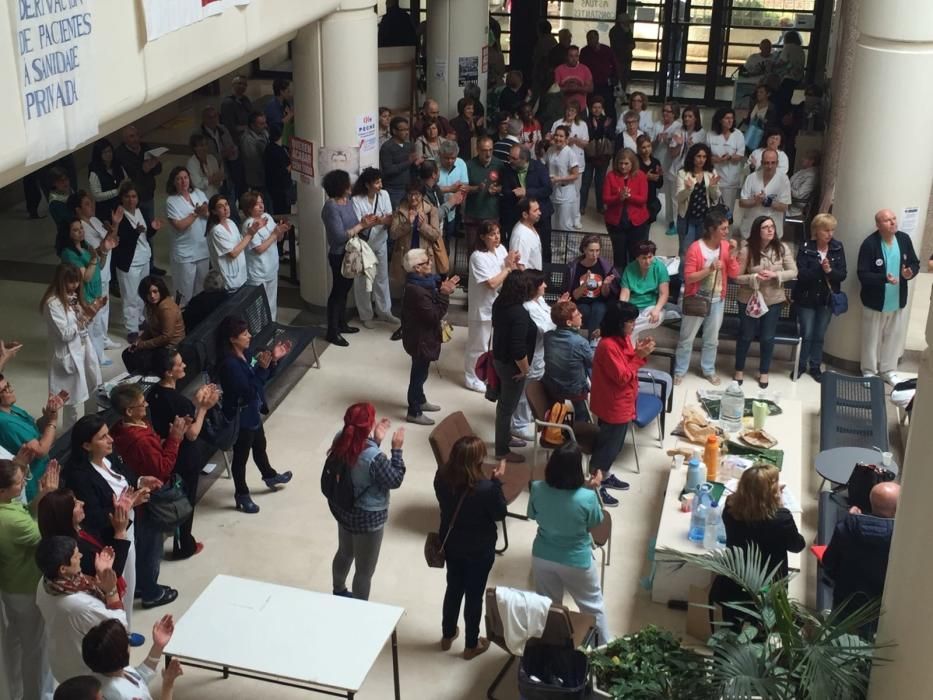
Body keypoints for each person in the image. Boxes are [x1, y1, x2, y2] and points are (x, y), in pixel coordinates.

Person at [63, 415, 160, 629]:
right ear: (86, 445)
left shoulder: (109, 457)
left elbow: (124, 477)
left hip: (126, 529)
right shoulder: (79, 475)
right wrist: (129, 505)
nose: (111, 440)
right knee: (117, 584)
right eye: (103, 437)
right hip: (107, 539)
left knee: (131, 582)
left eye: (108, 434)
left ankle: (128, 628)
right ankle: (118, 632)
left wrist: (141, 481)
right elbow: (94, 516)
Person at [108, 384, 185, 609]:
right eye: (142, 404)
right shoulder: (138, 440)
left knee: (144, 545)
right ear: (129, 411)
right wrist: (174, 439)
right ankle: (151, 591)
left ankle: (142, 584)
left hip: (138, 496)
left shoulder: (122, 428)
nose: (147, 405)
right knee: (151, 547)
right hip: (148, 501)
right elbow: (161, 468)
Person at [528, 443, 610, 643]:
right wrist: (593, 490)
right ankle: (603, 648)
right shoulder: (588, 498)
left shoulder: (537, 488)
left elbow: (533, 514)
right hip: (576, 561)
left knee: (549, 606)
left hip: (542, 556)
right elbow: (595, 522)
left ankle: (553, 644)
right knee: (592, 606)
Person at [434, 436, 507, 659]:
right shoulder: (486, 488)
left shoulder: (441, 477)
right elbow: (499, 513)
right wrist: (497, 482)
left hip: (452, 543)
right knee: (474, 596)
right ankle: (471, 644)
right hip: (479, 549)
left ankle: (447, 635)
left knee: (453, 588)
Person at [709, 464, 805, 631]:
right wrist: (780, 506)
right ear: (770, 494)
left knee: (730, 627)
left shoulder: (731, 507)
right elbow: (798, 545)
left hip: (734, 579)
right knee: (762, 628)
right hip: (767, 587)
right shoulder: (781, 519)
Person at [327, 403, 406, 600]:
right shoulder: (374, 458)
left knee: (345, 552)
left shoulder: (340, 439)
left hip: (343, 509)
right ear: (369, 426)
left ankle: (338, 590)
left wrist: (376, 441)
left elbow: (356, 461)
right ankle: (359, 609)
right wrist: (396, 450)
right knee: (364, 571)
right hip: (368, 519)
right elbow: (394, 479)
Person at [216, 316, 293, 514]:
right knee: (241, 458)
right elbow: (249, 391)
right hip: (241, 417)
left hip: (251, 412)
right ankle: (241, 494)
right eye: (244, 334)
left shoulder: (245, 353)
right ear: (233, 339)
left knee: (260, 444)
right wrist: (263, 370)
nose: (249, 336)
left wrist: (273, 360)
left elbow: (260, 376)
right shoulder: (230, 365)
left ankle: (269, 475)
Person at [147, 348, 218, 559]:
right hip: (184, 457)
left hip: (166, 452)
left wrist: (194, 405)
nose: (184, 365)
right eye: (179, 364)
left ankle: (181, 539)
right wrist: (204, 407)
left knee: (176, 496)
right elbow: (192, 434)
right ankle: (184, 544)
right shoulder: (180, 402)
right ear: (169, 372)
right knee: (185, 500)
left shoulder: (154, 395)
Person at [0, 455, 59, 699]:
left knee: (14, 643)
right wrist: (53, 498)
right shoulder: (10, 521)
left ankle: (15, 692)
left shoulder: (8, 506)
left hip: (11, 586)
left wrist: (43, 494)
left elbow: (29, 512)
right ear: (2, 490)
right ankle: (40, 695)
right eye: (19, 481)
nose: (24, 483)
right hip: (24, 589)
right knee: (37, 648)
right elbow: (43, 532)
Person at [34, 535, 127, 683]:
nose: (81, 556)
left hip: (61, 660)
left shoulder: (45, 583)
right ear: (63, 569)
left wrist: (99, 575)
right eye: (76, 555)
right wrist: (111, 590)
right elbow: (119, 627)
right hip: (85, 671)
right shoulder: (78, 605)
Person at [588, 301, 654, 506]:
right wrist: (640, 357)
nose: (633, 326)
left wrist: (638, 352)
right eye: (630, 322)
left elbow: (628, 362)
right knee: (606, 449)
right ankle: (594, 488)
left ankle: (605, 476)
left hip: (623, 400)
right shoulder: (607, 345)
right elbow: (622, 375)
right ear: (619, 323)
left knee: (614, 446)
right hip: (613, 404)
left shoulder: (623, 339)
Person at [673, 212, 741, 385]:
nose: (727, 231)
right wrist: (709, 269)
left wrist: (732, 256)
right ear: (712, 229)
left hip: (717, 300)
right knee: (687, 338)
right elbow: (688, 278)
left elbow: (734, 273)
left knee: (712, 339)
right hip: (696, 298)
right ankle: (680, 370)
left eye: (727, 228)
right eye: (723, 228)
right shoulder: (696, 248)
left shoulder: (725, 247)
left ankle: (708, 370)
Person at [733, 216, 797, 389]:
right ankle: (739, 370)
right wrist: (754, 277)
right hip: (749, 299)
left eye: (772, 227)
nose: (770, 230)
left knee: (767, 337)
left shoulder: (782, 248)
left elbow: (793, 271)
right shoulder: (746, 250)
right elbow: (736, 277)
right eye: (765, 227)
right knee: (746, 335)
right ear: (757, 231)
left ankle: (764, 372)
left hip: (773, 299)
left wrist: (777, 275)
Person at [824, 482, 899, 629]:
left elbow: (828, 563)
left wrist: (852, 519)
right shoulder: (901, 538)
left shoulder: (846, 527)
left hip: (845, 599)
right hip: (880, 606)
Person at [857, 209, 920, 384]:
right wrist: (884, 278)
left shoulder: (904, 239)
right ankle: (869, 371)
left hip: (897, 299)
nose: (893, 222)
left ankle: (888, 370)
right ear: (878, 225)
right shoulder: (870, 244)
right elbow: (862, 274)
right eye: (887, 220)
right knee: (871, 339)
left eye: (894, 218)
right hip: (875, 301)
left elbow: (915, 263)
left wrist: (909, 273)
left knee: (893, 336)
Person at [400, 249, 459, 425]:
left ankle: (421, 399)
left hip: (423, 337)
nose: (431, 264)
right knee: (418, 375)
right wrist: (445, 295)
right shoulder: (416, 291)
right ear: (417, 268)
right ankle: (414, 410)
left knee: (422, 371)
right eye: (427, 262)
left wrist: (441, 289)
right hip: (420, 339)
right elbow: (434, 315)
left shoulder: (425, 282)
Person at [40, 264, 103, 430]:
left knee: (92, 388)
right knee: (71, 402)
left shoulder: (73, 297)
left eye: (77, 282)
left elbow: (82, 326)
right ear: (61, 281)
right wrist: (82, 319)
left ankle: (93, 428)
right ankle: (70, 437)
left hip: (83, 350)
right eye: (71, 282)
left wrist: (88, 313)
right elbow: (65, 334)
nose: (75, 286)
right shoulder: (52, 304)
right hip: (66, 356)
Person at [466, 223, 520, 392]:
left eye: (498, 233)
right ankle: (472, 378)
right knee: (478, 346)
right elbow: (491, 283)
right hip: (481, 307)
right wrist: (508, 268)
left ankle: (486, 375)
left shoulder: (501, 250)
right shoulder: (477, 256)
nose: (497, 237)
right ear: (482, 237)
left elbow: (509, 271)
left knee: (492, 346)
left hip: (498, 306)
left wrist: (513, 264)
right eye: (492, 234)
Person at [792, 213, 846, 382]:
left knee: (819, 334)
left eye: (832, 230)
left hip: (826, 299)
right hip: (807, 298)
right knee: (806, 333)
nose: (830, 234)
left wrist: (829, 271)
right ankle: (800, 365)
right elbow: (801, 274)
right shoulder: (805, 247)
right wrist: (820, 268)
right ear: (816, 231)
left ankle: (815, 366)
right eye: (826, 230)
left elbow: (842, 275)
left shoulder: (837, 247)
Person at [491, 271, 536, 463]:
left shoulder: (499, 303)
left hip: (499, 359)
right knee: (506, 408)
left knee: (504, 405)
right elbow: (518, 349)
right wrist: (525, 370)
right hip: (512, 368)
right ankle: (502, 450)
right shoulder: (518, 313)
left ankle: (506, 437)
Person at [82, 616, 183, 700]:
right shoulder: (121, 696)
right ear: (122, 652)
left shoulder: (106, 667)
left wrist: (158, 646)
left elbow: (140, 676)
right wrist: (168, 685)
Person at [56, 215, 113, 366]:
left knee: (99, 327)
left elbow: (99, 267)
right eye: (75, 230)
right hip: (85, 295)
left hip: (96, 292)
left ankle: (99, 356)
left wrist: (104, 252)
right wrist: (94, 258)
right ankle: (92, 361)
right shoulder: (68, 253)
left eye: (81, 228)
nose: (80, 232)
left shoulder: (85, 245)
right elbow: (85, 277)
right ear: (67, 233)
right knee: (90, 330)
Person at [512, 270, 559, 441]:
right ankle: (518, 424)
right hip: (532, 354)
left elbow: (549, 315)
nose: (546, 286)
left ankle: (529, 415)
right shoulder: (527, 307)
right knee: (526, 390)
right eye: (542, 284)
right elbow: (545, 327)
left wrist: (557, 310)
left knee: (535, 387)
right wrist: (559, 317)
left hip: (541, 353)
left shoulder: (538, 301)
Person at [321, 169, 366, 346]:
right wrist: (361, 225)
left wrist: (364, 223)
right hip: (339, 254)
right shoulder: (330, 207)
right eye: (347, 183)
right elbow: (338, 237)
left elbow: (354, 224)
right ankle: (332, 331)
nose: (350, 186)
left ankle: (341, 323)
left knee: (344, 290)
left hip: (351, 252)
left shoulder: (347, 202)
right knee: (337, 293)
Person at [73, 192, 120, 356]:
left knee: (105, 307)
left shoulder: (95, 220)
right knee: (97, 310)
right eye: (87, 204)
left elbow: (112, 240)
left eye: (91, 202)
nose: (92, 206)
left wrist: (115, 225)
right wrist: (110, 233)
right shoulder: (81, 227)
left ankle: (104, 338)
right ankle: (96, 347)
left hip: (105, 269)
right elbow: (97, 249)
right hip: (95, 272)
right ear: (78, 210)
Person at [0, 377, 62, 501]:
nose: (11, 390)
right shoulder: (5, 423)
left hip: (43, 468)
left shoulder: (12, 410)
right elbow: (41, 450)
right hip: (33, 477)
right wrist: (52, 421)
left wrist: (48, 415)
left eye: (9, 385)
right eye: (4, 390)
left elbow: (35, 428)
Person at [351, 168, 398, 328]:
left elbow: (390, 218)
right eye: (377, 182)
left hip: (380, 241)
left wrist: (379, 221)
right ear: (367, 185)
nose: (380, 185)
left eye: (380, 181)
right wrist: (372, 221)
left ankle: (384, 311)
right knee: (363, 280)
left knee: (382, 277)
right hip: (363, 245)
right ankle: (366, 315)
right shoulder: (356, 200)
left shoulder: (384, 195)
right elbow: (359, 224)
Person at [112, 181, 159, 342]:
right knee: (130, 296)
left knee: (142, 293)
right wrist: (135, 232)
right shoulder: (119, 215)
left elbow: (145, 235)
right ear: (122, 198)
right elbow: (121, 241)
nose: (131, 200)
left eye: (134, 196)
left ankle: (139, 320)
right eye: (127, 196)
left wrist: (153, 228)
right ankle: (131, 328)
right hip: (129, 262)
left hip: (144, 257)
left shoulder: (141, 211)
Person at [164, 166, 211, 307]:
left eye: (185, 177)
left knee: (201, 291)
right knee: (184, 294)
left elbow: (209, 213)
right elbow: (179, 225)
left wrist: (204, 212)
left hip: (202, 249)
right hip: (185, 254)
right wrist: (196, 213)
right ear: (174, 182)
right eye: (179, 179)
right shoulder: (171, 201)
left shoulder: (198, 193)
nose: (183, 181)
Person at [240, 190, 289, 320]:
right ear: (249, 208)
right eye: (257, 204)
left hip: (271, 268)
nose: (261, 206)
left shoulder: (267, 217)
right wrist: (274, 234)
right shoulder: (249, 224)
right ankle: (258, 336)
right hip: (258, 273)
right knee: (258, 307)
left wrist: (280, 231)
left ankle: (271, 330)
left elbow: (277, 239)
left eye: (262, 202)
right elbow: (259, 249)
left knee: (271, 304)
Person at [121, 276, 185, 376]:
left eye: (155, 291)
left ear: (161, 291)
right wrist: (138, 341)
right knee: (128, 354)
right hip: (160, 342)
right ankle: (138, 380)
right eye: (148, 293)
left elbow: (166, 337)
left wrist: (142, 345)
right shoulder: (151, 305)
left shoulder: (166, 308)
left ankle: (145, 381)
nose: (152, 296)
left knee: (141, 359)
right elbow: (151, 328)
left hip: (171, 347)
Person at [389, 182, 446, 290]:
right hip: (406, 255)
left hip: (424, 256)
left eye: (417, 195)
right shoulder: (400, 210)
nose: (413, 198)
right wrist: (407, 224)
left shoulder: (431, 211)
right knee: (407, 287)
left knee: (424, 287)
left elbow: (435, 235)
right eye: (410, 194)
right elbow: (393, 234)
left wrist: (423, 226)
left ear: (422, 195)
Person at [543, 301, 594, 421]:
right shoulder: (580, 342)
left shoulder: (547, 336)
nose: (581, 315)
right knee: (582, 413)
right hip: (574, 389)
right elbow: (592, 363)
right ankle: (580, 428)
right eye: (577, 314)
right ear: (569, 322)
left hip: (552, 385)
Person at [500, 145, 553, 260]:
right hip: (517, 215)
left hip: (540, 215)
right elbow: (505, 190)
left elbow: (547, 189)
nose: (510, 161)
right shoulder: (507, 170)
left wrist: (527, 192)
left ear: (524, 160)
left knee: (544, 247)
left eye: (514, 159)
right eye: (510, 157)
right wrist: (514, 193)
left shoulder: (539, 168)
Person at [620, 240, 677, 339]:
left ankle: (625, 331)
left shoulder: (660, 267)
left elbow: (664, 294)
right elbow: (625, 293)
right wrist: (623, 311)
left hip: (651, 307)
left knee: (653, 317)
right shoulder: (629, 268)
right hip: (633, 307)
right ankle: (629, 343)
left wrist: (657, 309)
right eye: (644, 258)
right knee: (628, 325)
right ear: (637, 257)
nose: (647, 261)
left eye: (650, 257)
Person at [603, 148, 649, 270]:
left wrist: (628, 196)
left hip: (637, 222)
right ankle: (620, 283)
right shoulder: (610, 176)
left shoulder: (641, 176)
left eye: (626, 164)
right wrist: (619, 197)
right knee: (619, 257)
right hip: (616, 223)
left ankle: (635, 284)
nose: (623, 167)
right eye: (620, 163)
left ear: (632, 163)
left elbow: (643, 199)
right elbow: (606, 199)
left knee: (636, 255)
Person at [566, 235, 619, 335]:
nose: (595, 254)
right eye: (591, 250)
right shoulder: (575, 267)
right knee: (585, 310)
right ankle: (591, 342)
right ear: (584, 249)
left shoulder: (604, 266)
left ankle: (592, 341)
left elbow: (606, 295)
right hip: (581, 302)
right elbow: (575, 296)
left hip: (599, 302)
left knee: (599, 309)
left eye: (597, 250)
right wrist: (585, 284)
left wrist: (606, 285)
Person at [675, 143, 721, 257]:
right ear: (692, 157)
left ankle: (700, 274)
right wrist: (688, 189)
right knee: (686, 252)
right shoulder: (683, 173)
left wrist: (712, 187)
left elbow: (715, 197)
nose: (702, 160)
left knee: (703, 251)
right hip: (687, 219)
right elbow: (679, 198)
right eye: (698, 156)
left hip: (705, 220)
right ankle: (683, 275)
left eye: (704, 157)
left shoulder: (711, 173)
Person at [114, 125, 163, 225]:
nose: (136, 139)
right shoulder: (120, 154)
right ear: (125, 139)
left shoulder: (145, 147)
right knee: (138, 228)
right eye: (132, 136)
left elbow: (158, 170)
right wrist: (143, 170)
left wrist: (155, 165)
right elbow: (126, 178)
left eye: (137, 135)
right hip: (132, 200)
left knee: (150, 227)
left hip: (148, 196)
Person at [739, 149, 791, 240]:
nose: (770, 166)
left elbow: (785, 207)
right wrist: (755, 201)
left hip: (773, 230)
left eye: (773, 163)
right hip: (751, 227)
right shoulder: (751, 178)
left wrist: (769, 202)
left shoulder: (783, 180)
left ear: (777, 163)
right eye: (766, 163)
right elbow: (742, 203)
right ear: (762, 163)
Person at [464, 136, 504, 247]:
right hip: (473, 214)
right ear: (477, 150)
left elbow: (505, 186)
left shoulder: (499, 165)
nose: (488, 154)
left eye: (490, 150)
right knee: (472, 247)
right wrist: (476, 188)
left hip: (492, 214)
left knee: (492, 247)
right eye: (484, 150)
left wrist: (497, 189)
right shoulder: (469, 165)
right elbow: (463, 188)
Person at [207, 193, 250, 292]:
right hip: (228, 281)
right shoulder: (216, 231)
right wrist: (250, 234)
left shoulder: (231, 223)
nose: (226, 208)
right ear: (214, 211)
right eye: (220, 207)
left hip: (241, 276)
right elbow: (233, 253)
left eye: (226, 204)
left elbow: (240, 244)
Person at [580, 96, 614, 217]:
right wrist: (600, 129)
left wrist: (599, 129)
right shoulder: (585, 121)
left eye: (599, 107)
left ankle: (600, 206)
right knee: (586, 182)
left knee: (600, 183)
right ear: (590, 108)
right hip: (589, 156)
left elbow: (610, 135)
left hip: (603, 156)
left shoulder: (608, 120)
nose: (596, 110)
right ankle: (582, 206)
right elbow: (590, 136)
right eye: (594, 107)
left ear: (602, 108)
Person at [707, 107, 746, 211]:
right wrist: (717, 160)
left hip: (731, 179)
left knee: (727, 209)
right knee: (713, 208)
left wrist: (729, 157)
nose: (730, 121)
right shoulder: (711, 134)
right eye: (727, 118)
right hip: (714, 177)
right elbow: (705, 155)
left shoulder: (738, 134)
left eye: (732, 118)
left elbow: (740, 155)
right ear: (720, 120)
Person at [546, 126, 581, 232]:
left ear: (566, 138)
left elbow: (575, 175)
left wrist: (559, 179)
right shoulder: (550, 150)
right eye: (556, 135)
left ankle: (571, 249)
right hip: (553, 192)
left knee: (565, 225)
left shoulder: (570, 153)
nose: (558, 138)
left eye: (561, 136)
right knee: (554, 224)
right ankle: (555, 248)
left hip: (566, 193)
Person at [650, 102, 680, 224]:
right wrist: (657, 140)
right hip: (657, 161)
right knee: (654, 190)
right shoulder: (657, 125)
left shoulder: (678, 126)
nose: (665, 113)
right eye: (664, 111)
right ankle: (652, 215)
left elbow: (676, 147)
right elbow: (650, 146)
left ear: (675, 113)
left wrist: (668, 140)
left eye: (669, 111)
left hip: (672, 163)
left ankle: (672, 221)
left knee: (671, 195)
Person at [87, 138, 129, 224]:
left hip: (121, 206)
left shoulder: (117, 165)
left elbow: (125, 179)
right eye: (104, 152)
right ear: (99, 154)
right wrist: (117, 191)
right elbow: (97, 196)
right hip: (105, 211)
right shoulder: (94, 172)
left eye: (110, 151)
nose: (108, 154)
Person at [436, 141, 469, 245]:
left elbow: (464, 186)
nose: (450, 161)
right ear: (440, 155)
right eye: (446, 158)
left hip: (452, 210)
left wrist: (459, 199)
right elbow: (428, 188)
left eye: (453, 158)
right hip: (435, 209)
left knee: (447, 239)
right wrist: (449, 189)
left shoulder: (461, 163)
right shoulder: (432, 164)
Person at [380, 116, 417, 209]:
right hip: (394, 189)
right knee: (397, 216)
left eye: (407, 129)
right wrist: (408, 162)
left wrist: (416, 163)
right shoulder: (387, 148)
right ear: (394, 131)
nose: (406, 132)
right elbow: (388, 170)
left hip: (408, 188)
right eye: (403, 130)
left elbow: (412, 167)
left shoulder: (409, 145)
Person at [580, 30, 618, 118]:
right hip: (591, 84)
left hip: (606, 84)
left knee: (609, 106)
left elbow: (615, 65)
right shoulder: (584, 51)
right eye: (589, 38)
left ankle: (611, 127)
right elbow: (583, 68)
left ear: (597, 38)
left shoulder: (607, 50)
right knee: (591, 106)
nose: (590, 40)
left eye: (593, 38)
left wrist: (615, 78)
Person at [773, 31, 806, 115]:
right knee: (788, 97)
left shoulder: (787, 47)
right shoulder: (801, 50)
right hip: (798, 77)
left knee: (781, 99)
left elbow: (782, 61)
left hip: (788, 76)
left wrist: (773, 65)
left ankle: (780, 117)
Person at [264, 124, 292, 216]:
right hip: (281, 185)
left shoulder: (268, 148)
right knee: (284, 210)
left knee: (277, 209)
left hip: (271, 184)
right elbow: (284, 169)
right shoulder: (279, 151)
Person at [187, 133, 224, 200]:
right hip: (201, 199)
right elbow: (197, 184)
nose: (204, 148)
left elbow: (219, 180)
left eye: (206, 144)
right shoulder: (192, 163)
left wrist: (216, 180)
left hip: (215, 196)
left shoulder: (212, 158)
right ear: (195, 148)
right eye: (201, 145)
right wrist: (212, 179)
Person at [240, 112, 269, 196]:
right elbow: (254, 161)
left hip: (266, 176)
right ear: (252, 125)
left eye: (265, 123)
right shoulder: (247, 140)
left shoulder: (264, 133)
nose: (265, 126)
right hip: (256, 180)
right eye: (261, 124)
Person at [510, 198, 543, 271]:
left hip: (535, 278)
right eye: (535, 211)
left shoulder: (530, 226)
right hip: (528, 280)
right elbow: (519, 265)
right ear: (525, 214)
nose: (539, 213)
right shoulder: (521, 236)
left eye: (538, 209)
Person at [637, 134, 664, 225]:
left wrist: (658, 177)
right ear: (639, 148)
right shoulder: (635, 161)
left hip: (651, 200)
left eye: (649, 146)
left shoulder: (656, 162)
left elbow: (660, 185)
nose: (646, 150)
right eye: (643, 147)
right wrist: (645, 177)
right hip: (637, 200)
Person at [787, 149, 820, 218]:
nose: (802, 159)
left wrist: (786, 187)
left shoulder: (812, 175)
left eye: (804, 158)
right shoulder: (803, 171)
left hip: (795, 206)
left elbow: (799, 195)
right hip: (789, 199)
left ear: (811, 161)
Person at [609, 13, 636, 94]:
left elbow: (632, 43)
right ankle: (618, 95)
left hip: (625, 58)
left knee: (624, 78)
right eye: (627, 21)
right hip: (619, 59)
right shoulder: (615, 31)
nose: (629, 22)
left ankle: (622, 94)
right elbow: (618, 46)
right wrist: (628, 47)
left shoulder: (627, 30)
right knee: (619, 78)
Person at [449, 99, 482, 164]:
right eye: (468, 108)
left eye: (472, 108)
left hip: (475, 153)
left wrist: (479, 127)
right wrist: (470, 129)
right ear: (462, 109)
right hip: (462, 155)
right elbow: (461, 139)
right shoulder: (455, 122)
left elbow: (481, 137)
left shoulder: (475, 121)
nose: (471, 111)